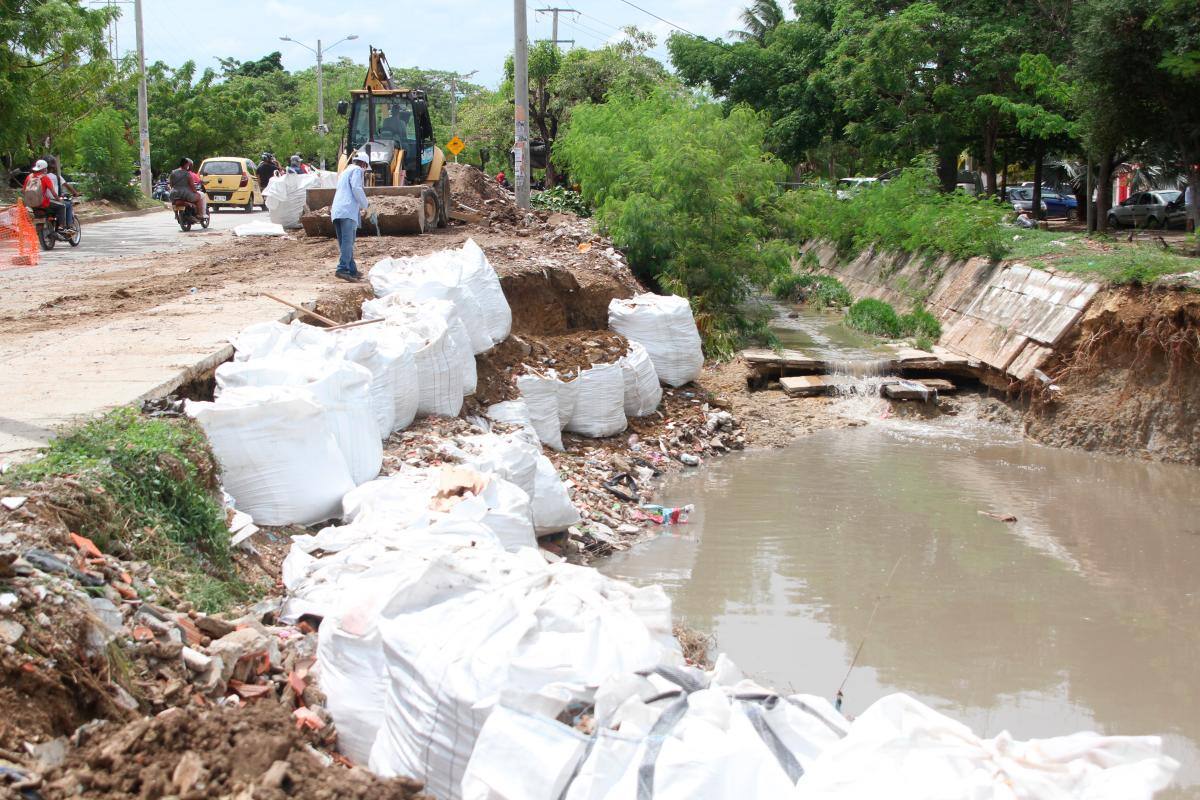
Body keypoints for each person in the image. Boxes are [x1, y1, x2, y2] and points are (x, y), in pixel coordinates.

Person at [330, 151, 370, 282]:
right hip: (347, 211)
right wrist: (367, 205)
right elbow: (356, 188)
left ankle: (352, 269)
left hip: (337, 210)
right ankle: (342, 269)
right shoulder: (357, 170)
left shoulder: (345, 171)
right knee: (348, 242)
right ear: (364, 164)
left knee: (345, 242)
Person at [23, 159, 64, 230]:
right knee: (62, 207)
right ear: (45, 168)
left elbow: (24, 190)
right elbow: (53, 193)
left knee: (37, 218)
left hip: (32, 204)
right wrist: (59, 200)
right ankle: (61, 226)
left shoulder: (29, 177)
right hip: (44, 203)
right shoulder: (45, 177)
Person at [44, 156, 80, 231]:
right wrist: (75, 193)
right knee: (68, 204)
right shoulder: (57, 177)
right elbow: (67, 186)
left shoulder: (40, 177)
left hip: (41, 202)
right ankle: (67, 226)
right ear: (54, 166)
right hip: (53, 201)